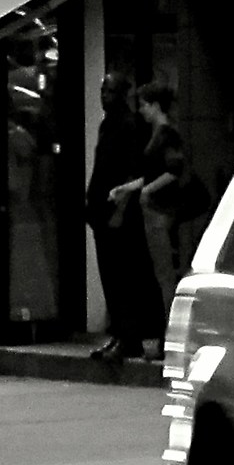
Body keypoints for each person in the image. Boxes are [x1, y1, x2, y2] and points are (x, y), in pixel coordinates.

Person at [108, 83, 203, 317]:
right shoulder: (162, 134)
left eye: (144, 105)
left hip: (159, 210)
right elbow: (159, 172)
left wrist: (147, 190)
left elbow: (173, 170)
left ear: (156, 106)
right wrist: (128, 188)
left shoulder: (166, 135)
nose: (141, 110)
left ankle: (171, 321)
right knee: (163, 271)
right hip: (158, 209)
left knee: (164, 273)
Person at [86, 73, 161, 361]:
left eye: (110, 91)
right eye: (103, 90)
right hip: (103, 212)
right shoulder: (108, 125)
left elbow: (133, 171)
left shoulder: (128, 126)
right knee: (111, 277)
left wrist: (119, 211)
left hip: (119, 215)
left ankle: (129, 337)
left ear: (122, 94)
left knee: (123, 278)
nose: (104, 96)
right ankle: (119, 333)